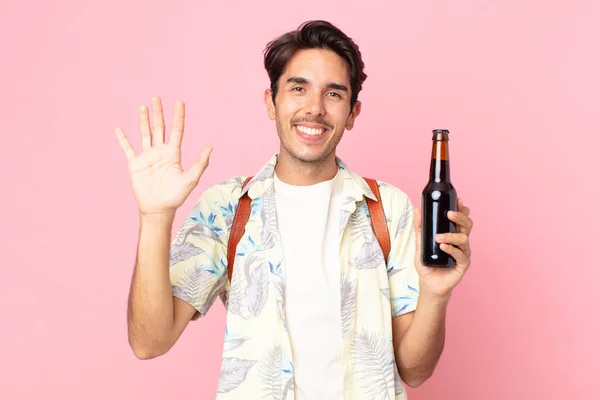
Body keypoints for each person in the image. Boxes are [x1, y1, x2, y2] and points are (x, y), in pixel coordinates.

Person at [114, 20, 474, 400]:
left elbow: (415, 372)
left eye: (333, 94)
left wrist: (435, 294)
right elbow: (149, 343)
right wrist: (155, 219)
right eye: (298, 88)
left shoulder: (389, 209)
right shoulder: (227, 208)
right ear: (271, 102)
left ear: (353, 113)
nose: (314, 108)